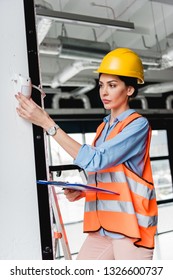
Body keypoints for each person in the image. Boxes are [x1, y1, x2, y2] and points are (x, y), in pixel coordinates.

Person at [15, 48, 158, 260]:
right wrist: (84, 192)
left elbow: (96, 160)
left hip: (132, 230)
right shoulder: (104, 128)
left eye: (112, 85)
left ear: (129, 90)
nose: (104, 92)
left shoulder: (137, 125)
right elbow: (112, 174)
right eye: (101, 85)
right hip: (103, 228)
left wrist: (47, 123)